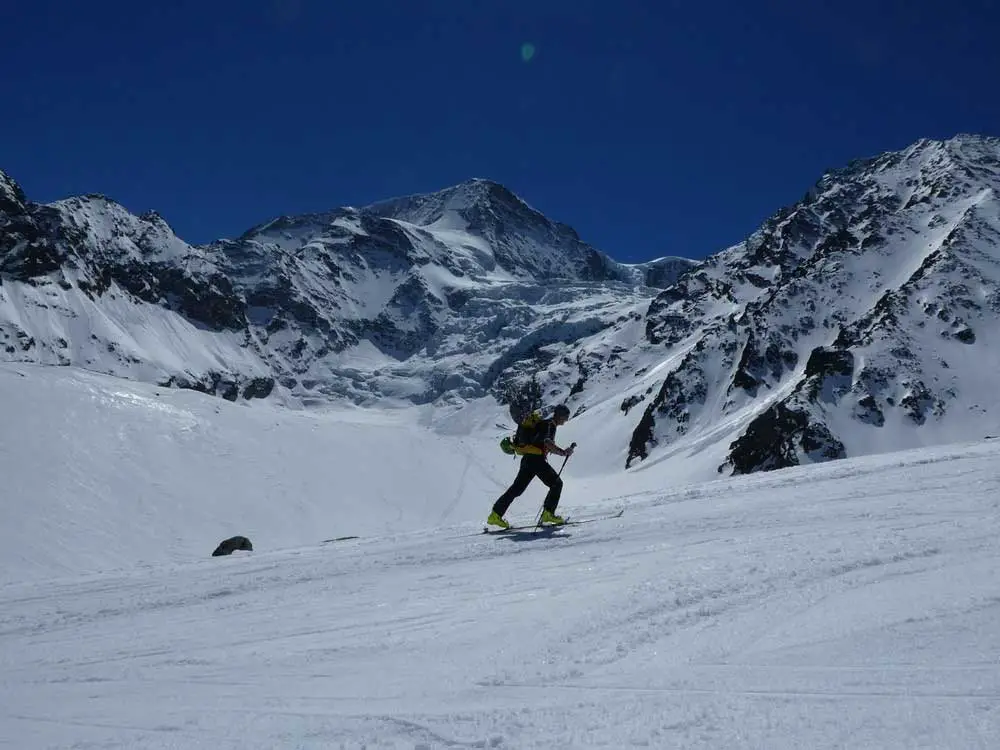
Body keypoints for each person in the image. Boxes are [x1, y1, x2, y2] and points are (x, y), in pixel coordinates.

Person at [487, 404, 576, 529]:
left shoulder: (544, 423)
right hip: (536, 460)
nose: (566, 420)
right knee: (557, 484)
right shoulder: (549, 424)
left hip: (528, 459)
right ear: (560, 415)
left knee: (516, 489)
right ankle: (548, 514)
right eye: (565, 417)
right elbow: (546, 441)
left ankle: (495, 515)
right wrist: (562, 452)